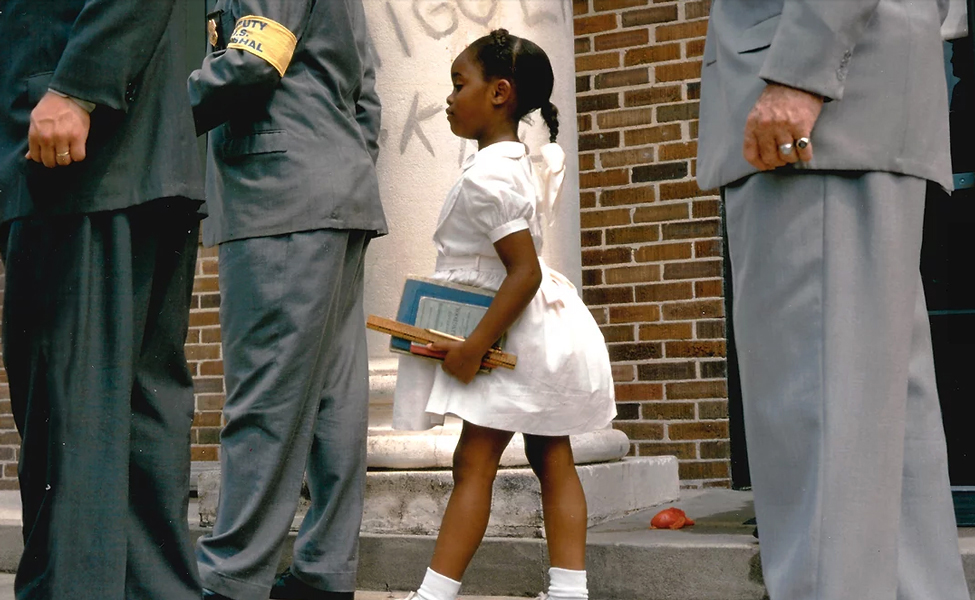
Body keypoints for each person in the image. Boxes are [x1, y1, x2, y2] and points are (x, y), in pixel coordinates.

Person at [697, 1, 970, 599]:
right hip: (854, 105)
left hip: (819, 116)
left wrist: (800, 73)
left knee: (814, 418)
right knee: (884, 434)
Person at [392, 29, 616, 600]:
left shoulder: (492, 173)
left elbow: (524, 272)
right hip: (541, 328)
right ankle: (569, 591)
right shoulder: (511, 161)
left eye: (458, 84)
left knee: (474, 461)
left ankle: (433, 595)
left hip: (512, 329)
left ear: (500, 93)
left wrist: (472, 348)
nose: (448, 98)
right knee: (551, 453)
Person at [0, 1, 205, 598]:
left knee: (73, 421)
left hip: (78, 160)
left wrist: (78, 86)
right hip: (129, 157)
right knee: (140, 421)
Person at [187, 1, 386, 599]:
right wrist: (334, 168)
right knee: (332, 397)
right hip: (330, 192)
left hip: (276, 195)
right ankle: (324, 574)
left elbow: (250, 63)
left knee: (264, 395)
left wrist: (144, 115)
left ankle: (232, 578)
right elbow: (366, 94)